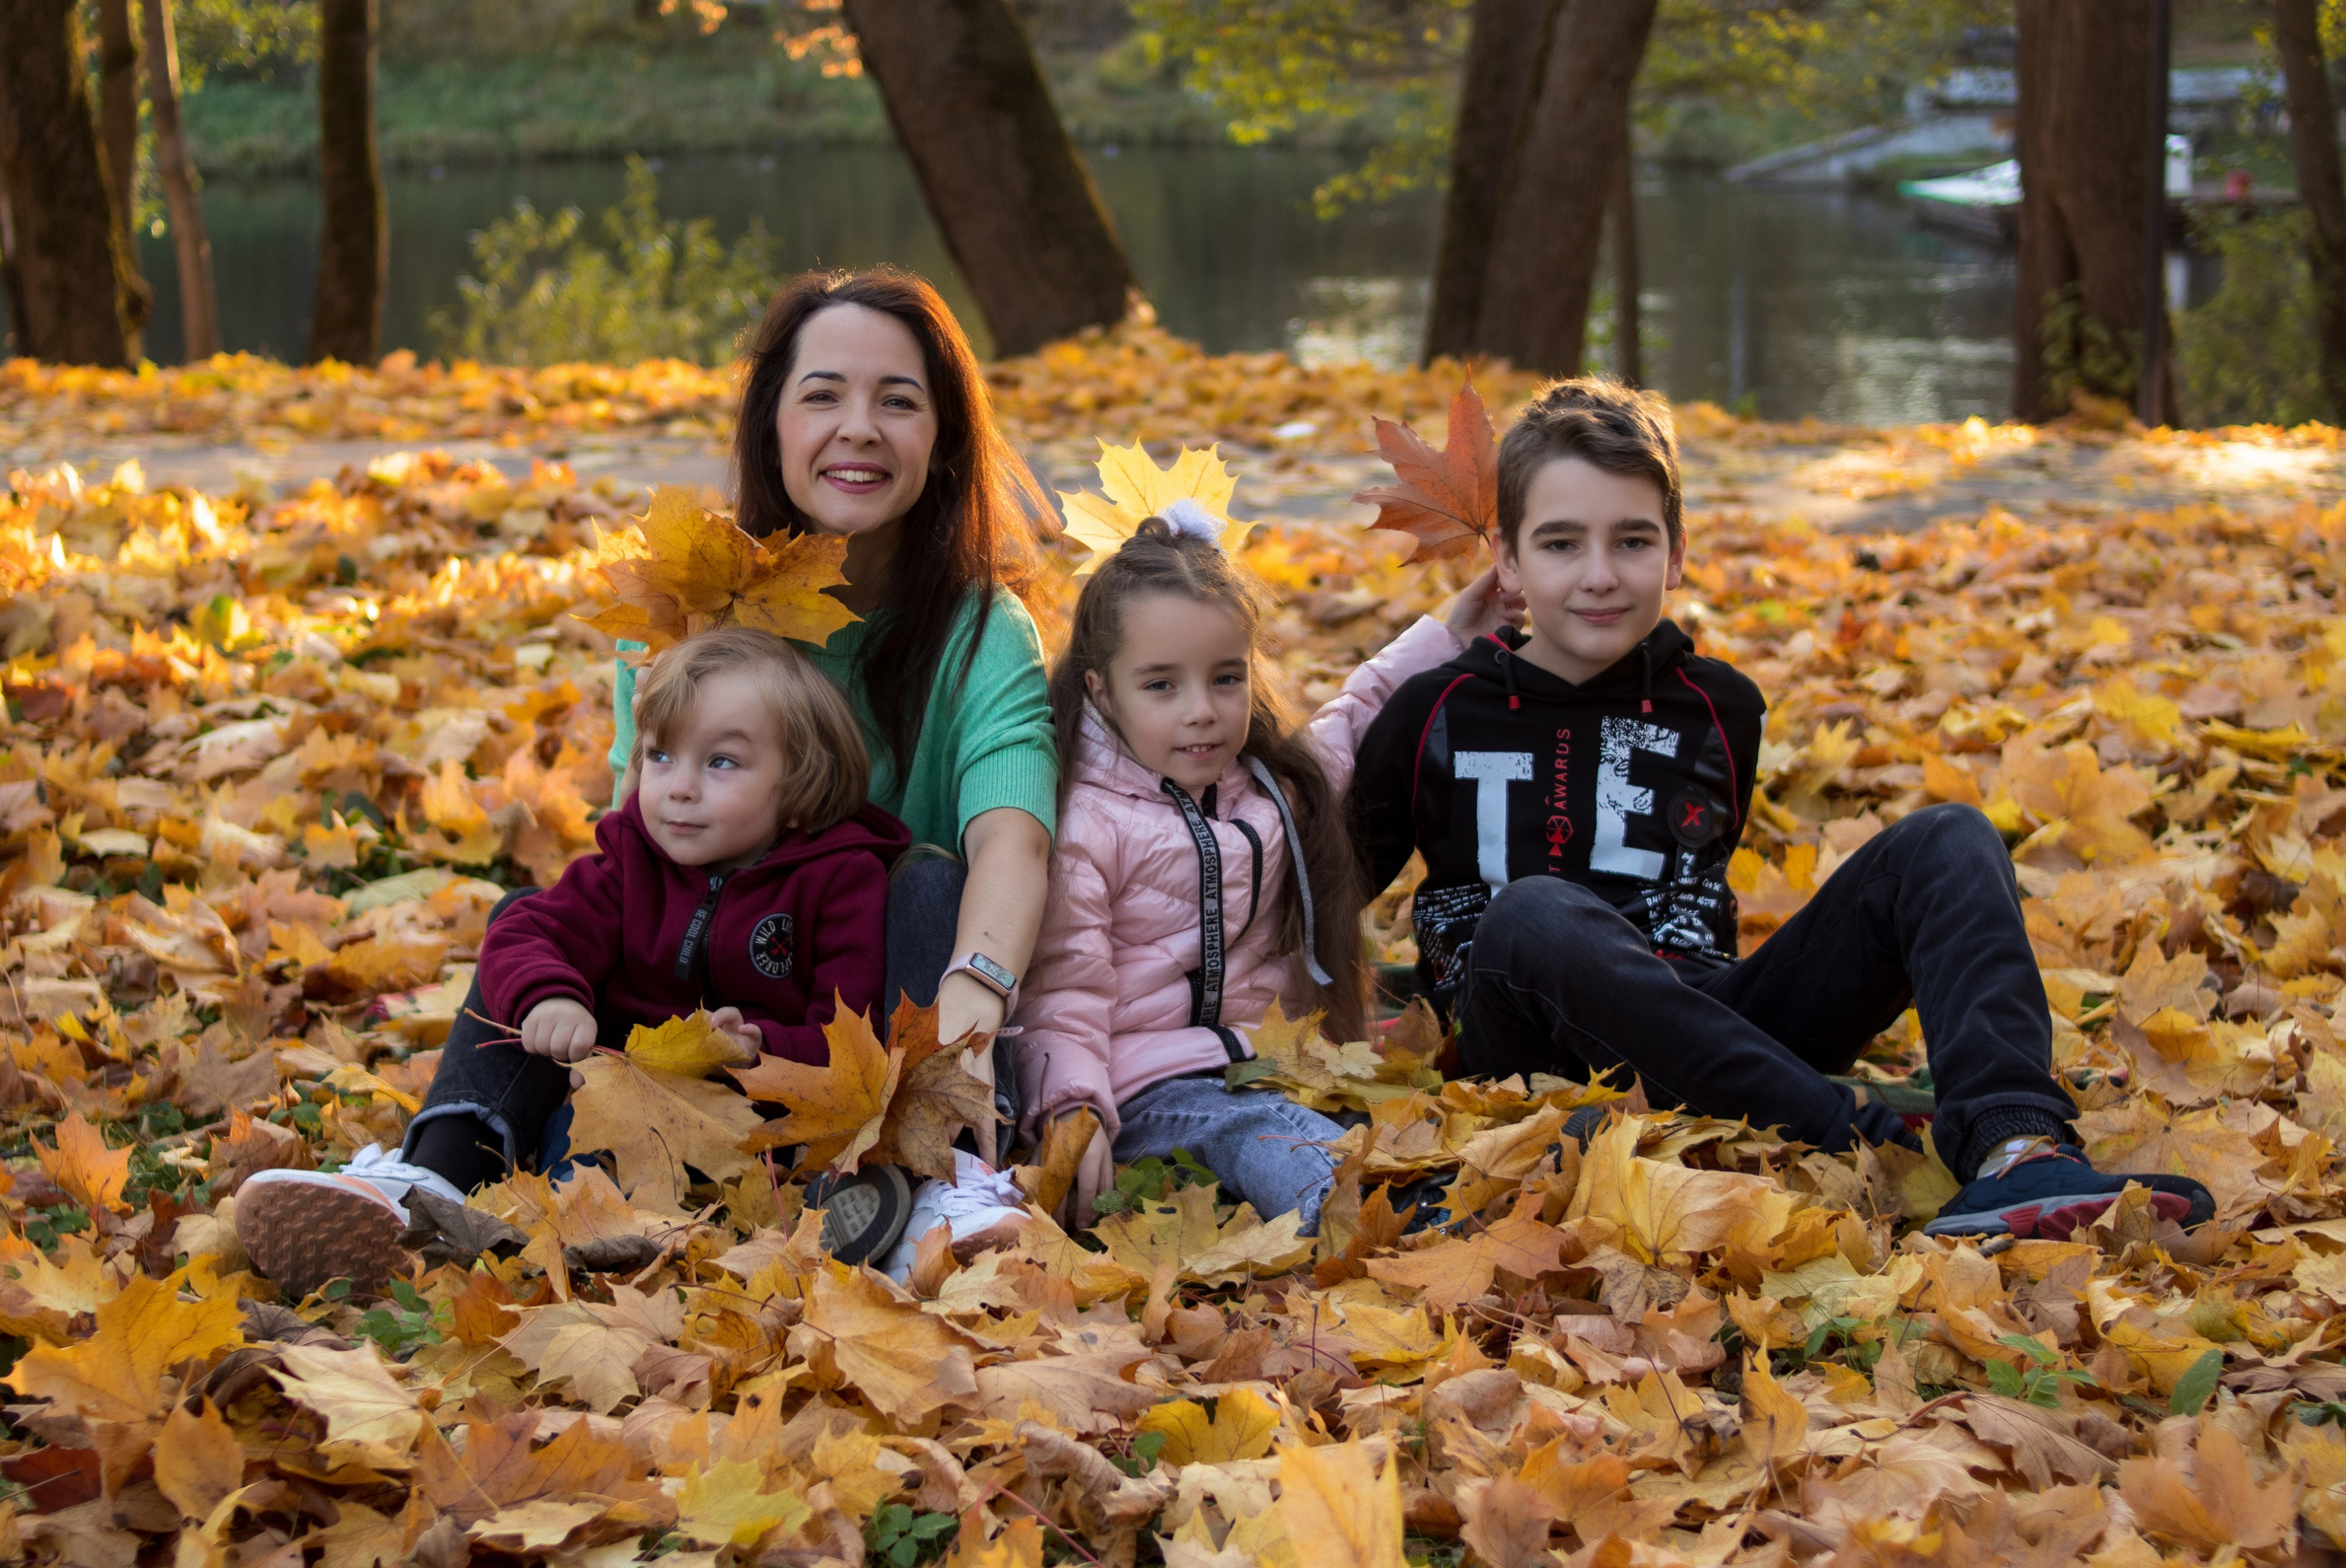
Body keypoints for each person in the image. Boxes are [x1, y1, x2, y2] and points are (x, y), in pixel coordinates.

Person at [238, 268, 1058, 1284]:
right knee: (535, 925)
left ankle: (934, 1187)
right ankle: (436, 1173)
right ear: (771, 425)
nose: (859, 427)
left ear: (941, 443)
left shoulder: (981, 632)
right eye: (823, 394)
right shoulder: (688, 611)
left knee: (929, 876)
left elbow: (1011, 842)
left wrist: (971, 1017)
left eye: (898, 400)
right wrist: (614, 1027)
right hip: (676, 1003)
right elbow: (640, 849)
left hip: (863, 1012)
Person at [1344, 377, 2216, 1241]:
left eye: (1634, 541)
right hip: (1528, 1053)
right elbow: (1312, 886)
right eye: (1562, 544)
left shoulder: (1720, 707)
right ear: (1507, 560)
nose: (1600, 575)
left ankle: (2017, 1148)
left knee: (1947, 837)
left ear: (1677, 553)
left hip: (1722, 1027)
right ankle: (1868, 1143)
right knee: (1532, 912)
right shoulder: (1434, 710)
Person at [238, 629, 924, 1295]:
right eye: (660, 757)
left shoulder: (839, 881)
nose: (679, 788)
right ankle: (439, 1170)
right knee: (518, 926)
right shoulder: (634, 858)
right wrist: (551, 999)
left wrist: (762, 1050)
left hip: (741, 1124)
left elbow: (848, 1035)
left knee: (597, 1181)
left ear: (801, 781)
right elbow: (535, 933)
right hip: (603, 1086)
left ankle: (635, 1227)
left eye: (721, 763)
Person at [1013, 506, 1509, 1232]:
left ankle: (1463, 1179)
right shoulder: (1088, 824)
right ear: (1100, 691)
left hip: (1267, 1063)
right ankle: (1363, 1214)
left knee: (1331, 1108)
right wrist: (1073, 1105)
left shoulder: (1270, 787)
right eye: (1161, 686)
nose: (1202, 712)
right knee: (1249, 1129)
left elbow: (1357, 715)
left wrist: (1451, 633)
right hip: (1144, 1087)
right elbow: (1064, 990)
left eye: (1225, 679)